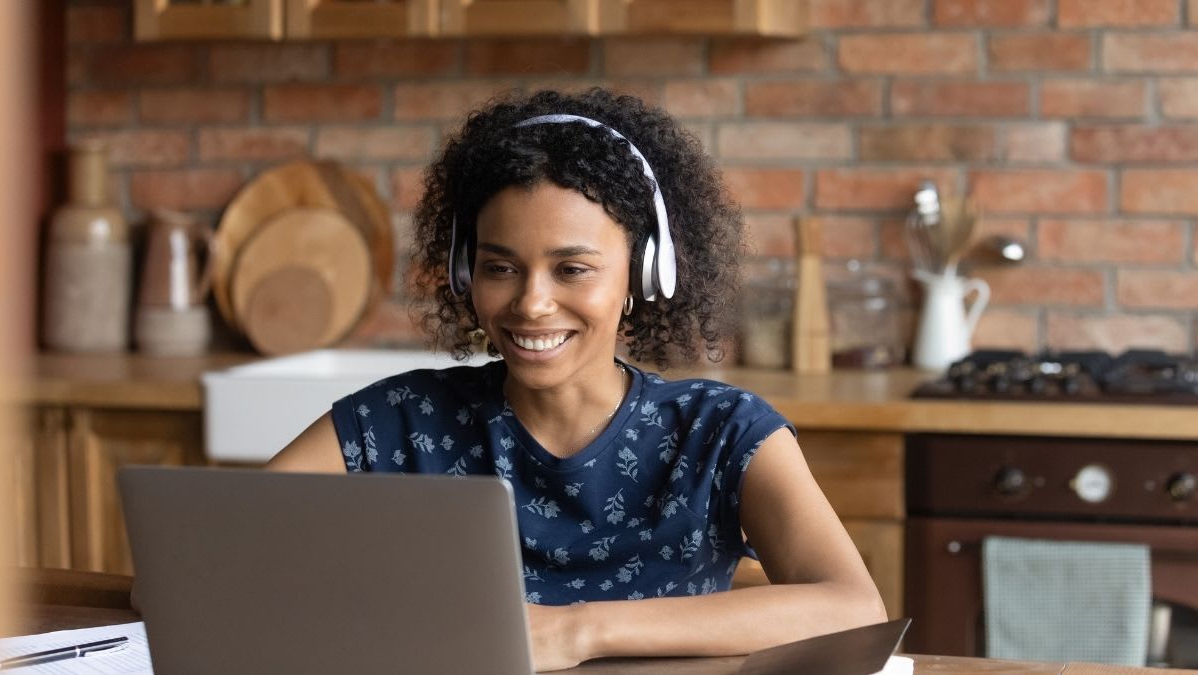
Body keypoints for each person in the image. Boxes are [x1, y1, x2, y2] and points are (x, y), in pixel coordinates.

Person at [268, 88, 886, 671]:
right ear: (465, 273)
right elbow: (221, 552)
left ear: (642, 278)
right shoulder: (397, 420)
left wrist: (576, 630)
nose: (532, 303)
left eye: (572, 268)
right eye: (500, 267)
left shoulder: (722, 431)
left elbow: (853, 609)